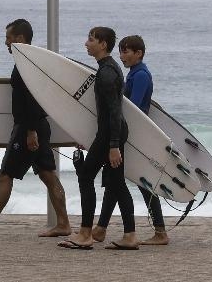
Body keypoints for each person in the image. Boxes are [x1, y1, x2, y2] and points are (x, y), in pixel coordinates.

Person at [0, 19, 71, 237]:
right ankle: (63, 223)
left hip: (28, 128)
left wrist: (30, 132)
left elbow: (32, 98)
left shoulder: (25, 64)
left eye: (8, 38)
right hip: (40, 125)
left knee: (6, 175)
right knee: (48, 175)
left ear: (20, 39)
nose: (6, 42)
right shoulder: (34, 61)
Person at [59, 27, 137, 250]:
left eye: (91, 39)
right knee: (116, 183)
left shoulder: (107, 73)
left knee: (85, 177)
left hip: (110, 134)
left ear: (103, 44)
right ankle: (130, 235)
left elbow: (113, 111)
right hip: (111, 132)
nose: (86, 43)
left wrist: (113, 146)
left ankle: (85, 233)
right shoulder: (108, 68)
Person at [93, 35, 167, 246]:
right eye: (121, 52)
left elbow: (132, 108)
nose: (122, 56)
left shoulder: (141, 75)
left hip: (133, 134)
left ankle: (160, 232)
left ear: (138, 53)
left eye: (126, 52)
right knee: (115, 180)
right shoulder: (134, 74)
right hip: (129, 133)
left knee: (139, 182)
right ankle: (100, 228)